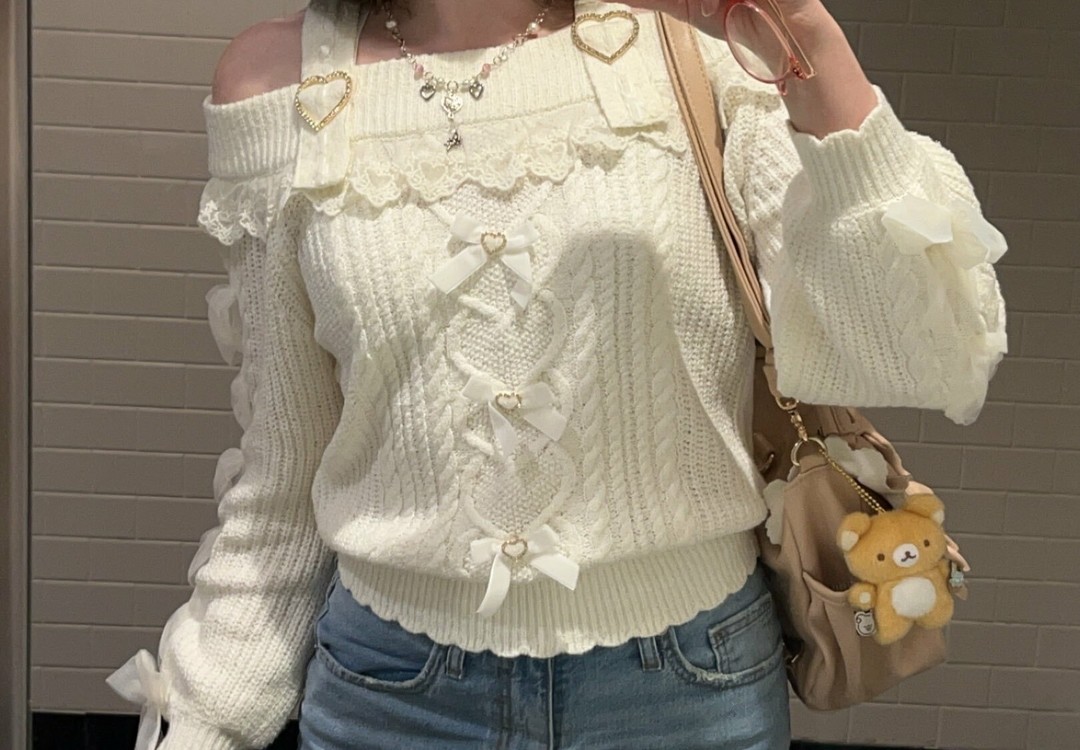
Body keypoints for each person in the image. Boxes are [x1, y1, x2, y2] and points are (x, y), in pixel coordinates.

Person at [107, 0, 1008, 748]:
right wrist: (206, 721)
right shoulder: (275, 85)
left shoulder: (695, 39)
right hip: (390, 697)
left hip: (688, 693)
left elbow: (923, 352)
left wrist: (806, 38)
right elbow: (282, 481)